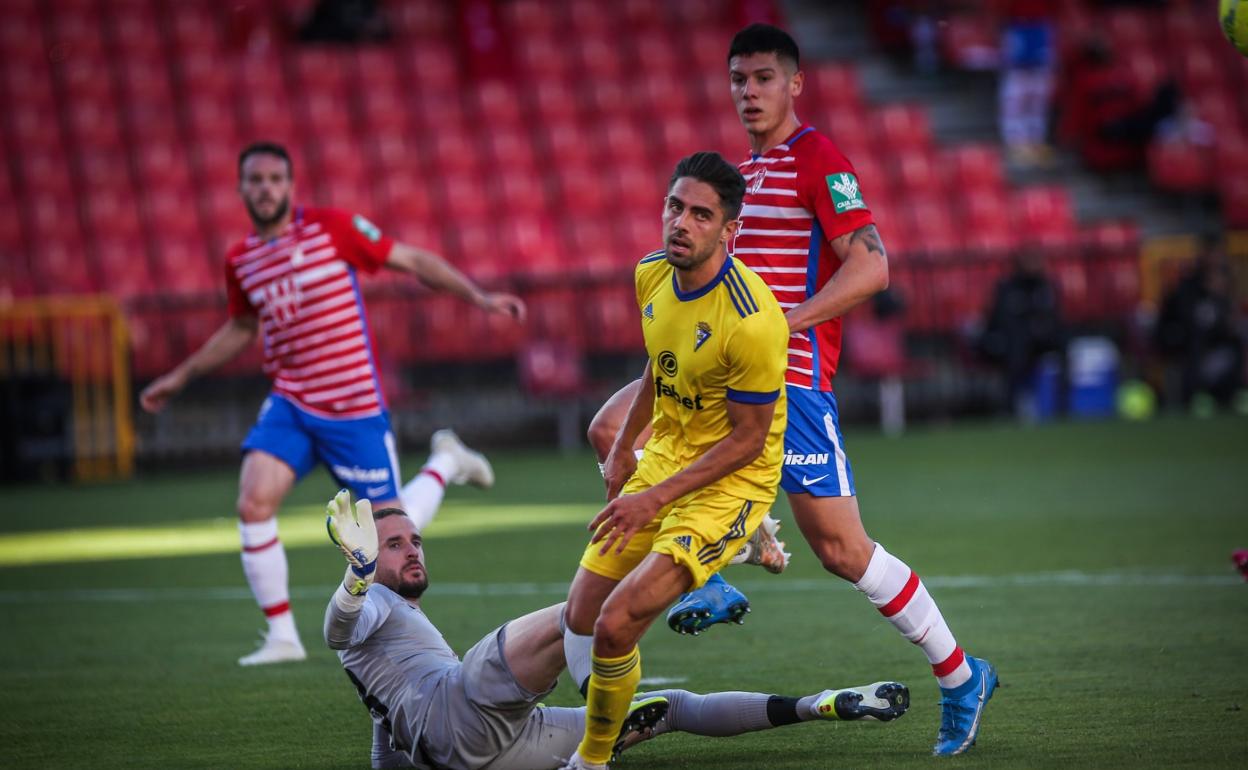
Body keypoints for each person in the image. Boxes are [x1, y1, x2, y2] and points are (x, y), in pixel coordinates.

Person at [584, 24, 997, 757]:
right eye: (739, 79)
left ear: (795, 84)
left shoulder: (820, 161)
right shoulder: (741, 173)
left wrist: (784, 325)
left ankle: (961, 673)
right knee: (611, 431)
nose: (749, 91)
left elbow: (872, 268)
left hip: (787, 380)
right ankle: (718, 562)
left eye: (764, 78)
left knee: (841, 549)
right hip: (713, 367)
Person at [139, 141, 525, 666]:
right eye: (255, 180)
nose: (266, 188)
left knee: (392, 529)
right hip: (292, 402)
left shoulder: (331, 228)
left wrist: (478, 298)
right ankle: (282, 636)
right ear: (241, 189)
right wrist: (178, 376)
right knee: (252, 501)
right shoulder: (241, 260)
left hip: (354, 408)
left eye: (275, 178)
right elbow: (241, 328)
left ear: (290, 186)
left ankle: (444, 463)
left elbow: (409, 258)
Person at [324, 492, 910, 769]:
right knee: (583, 611)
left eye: (415, 542)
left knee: (672, 707)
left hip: (481, 752)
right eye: (394, 546)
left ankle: (822, 704)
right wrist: (357, 574)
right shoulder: (370, 598)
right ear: (367, 555)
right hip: (460, 703)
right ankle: (714, 558)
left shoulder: (390, 629)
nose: (412, 553)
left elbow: (387, 727)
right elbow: (336, 630)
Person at [558, 151, 792, 770]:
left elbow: (747, 440)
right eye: (674, 206)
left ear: (729, 230)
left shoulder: (752, 320)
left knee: (614, 626)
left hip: (731, 481)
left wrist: (653, 497)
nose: (681, 223)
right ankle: (622, 713)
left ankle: (592, 757)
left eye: (700, 214)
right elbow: (657, 366)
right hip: (667, 451)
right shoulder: (651, 275)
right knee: (580, 616)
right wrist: (620, 452)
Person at [978, 247, 1066, 419]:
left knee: (1065, 345)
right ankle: (1011, 407)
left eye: (1036, 261)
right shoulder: (1007, 287)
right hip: (1012, 341)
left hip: (1041, 338)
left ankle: (1062, 404)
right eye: (1029, 261)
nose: (1033, 266)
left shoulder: (1046, 286)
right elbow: (1000, 319)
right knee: (1016, 349)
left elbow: (1053, 316)